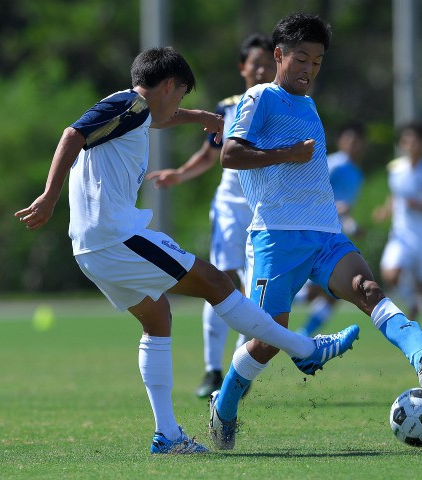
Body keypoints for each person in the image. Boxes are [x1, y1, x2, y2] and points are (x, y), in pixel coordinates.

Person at [14, 46, 359, 455]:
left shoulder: (131, 111)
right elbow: (72, 134)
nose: (179, 104)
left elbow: (160, 117)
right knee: (214, 280)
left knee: (158, 317)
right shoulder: (131, 103)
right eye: (181, 96)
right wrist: (50, 196)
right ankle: (304, 348)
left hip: (90, 247)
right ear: (169, 85)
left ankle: (168, 436)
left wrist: (200, 117)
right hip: (116, 236)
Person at [209, 13, 422, 451]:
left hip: (325, 233)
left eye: (318, 62)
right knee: (266, 342)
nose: (309, 69)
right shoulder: (259, 97)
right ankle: (224, 405)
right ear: (279, 55)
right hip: (275, 236)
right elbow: (229, 155)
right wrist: (287, 153)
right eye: (302, 58)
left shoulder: (309, 105)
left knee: (368, 289)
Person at [146, 33, 277, 398]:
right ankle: (212, 370)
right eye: (257, 62)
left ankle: (240, 367)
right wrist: (180, 173)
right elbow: (209, 155)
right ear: (243, 67)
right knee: (220, 280)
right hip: (231, 208)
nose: (263, 67)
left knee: (255, 291)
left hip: (263, 208)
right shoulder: (229, 107)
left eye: (269, 62)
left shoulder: (281, 106)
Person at [372, 122, 422, 344]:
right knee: (389, 272)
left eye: (416, 140)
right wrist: (386, 210)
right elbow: (395, 195)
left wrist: (421, 205)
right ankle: (412, 302)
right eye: (407, 140)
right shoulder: (395, 168)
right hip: (402, 233)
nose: (411, 144)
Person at [296, 121, 366, 336]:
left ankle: (303, 335)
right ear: (342, 142)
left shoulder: (357, 173)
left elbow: (343, 209)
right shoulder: (334, 164)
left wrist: (351, 226)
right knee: (323, 288)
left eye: (358, 141)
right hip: (317, 230)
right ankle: (259, 307)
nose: (354, 145)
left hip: (334, 232)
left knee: (334, 292)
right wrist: (336, 208)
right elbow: (313, 191)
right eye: (350, 140)